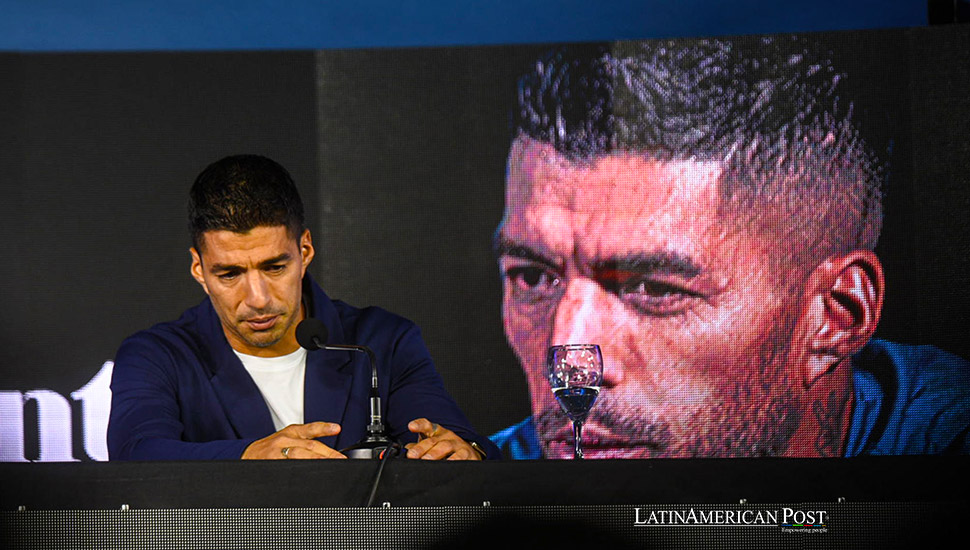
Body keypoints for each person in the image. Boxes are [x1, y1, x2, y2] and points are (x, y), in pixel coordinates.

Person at [490, 38, 970, 459]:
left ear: (834, 315)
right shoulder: (482, 478)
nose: (570, 370)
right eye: (534, 277)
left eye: (654, 289)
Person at [108, 155, 498, 460]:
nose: (257, 298)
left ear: (305, 250)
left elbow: (454, 442)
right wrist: (249, 454)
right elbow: (136, 455)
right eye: (229, 274)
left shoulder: (383, 341)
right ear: (198, 268)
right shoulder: (156, 356)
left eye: (274, 267)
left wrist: (467, 452)